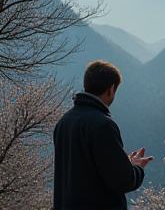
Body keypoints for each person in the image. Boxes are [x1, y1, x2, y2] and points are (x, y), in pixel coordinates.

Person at [53, 61, 154, 210]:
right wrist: (137, 167)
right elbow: (123, 181)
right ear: (111, 89)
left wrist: (125, 164)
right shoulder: (103, 125)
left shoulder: (64, 122)